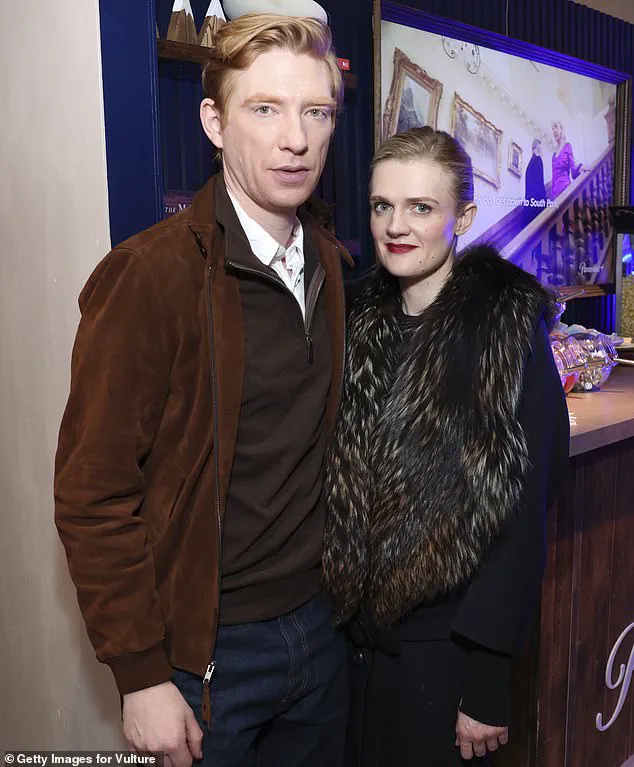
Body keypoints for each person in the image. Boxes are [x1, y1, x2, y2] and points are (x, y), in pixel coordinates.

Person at [55, 13, 352, 767]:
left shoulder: (329, 262)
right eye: (266, 109)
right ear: (215, 123)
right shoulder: (150, 277)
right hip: (205, 655)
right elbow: (93, 494)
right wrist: (141, 675)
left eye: (316, 112)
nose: (296, 139)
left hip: (321, 631)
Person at [322, 126, 570, 765]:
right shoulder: (353, 316)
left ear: (462, 218)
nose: (396, 226)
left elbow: (523, 516)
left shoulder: (505, 329)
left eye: (421, 207)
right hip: (347, 650)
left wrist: (486, 678)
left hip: (445, 654)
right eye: (382, 205)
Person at [551, 120, 584, 198]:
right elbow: (553, 178)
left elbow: (573, 171)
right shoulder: (553, 156)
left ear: (561, 129)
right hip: (555, 194)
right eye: (552, 129)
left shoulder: (567, 147)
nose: (554, 131)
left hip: (565, 189)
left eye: (556, 127)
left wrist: (582, 167)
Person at [524, 137, 547, 222]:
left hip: (529, 204)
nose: (542, 150)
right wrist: (543, 200)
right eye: (540, 147)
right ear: (538, 147)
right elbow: (540, 181)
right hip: (537, 202)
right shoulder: (538, 160)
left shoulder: (529, 164)